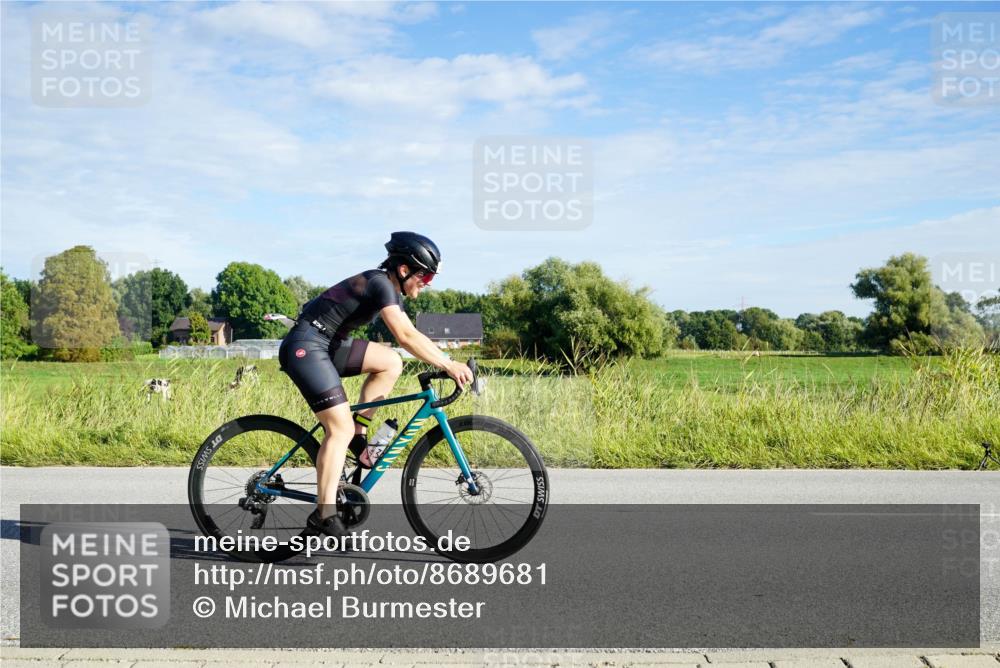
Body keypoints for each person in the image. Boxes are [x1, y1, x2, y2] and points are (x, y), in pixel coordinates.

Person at [278, 232, 474, 538]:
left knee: (391, 362)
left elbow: (412, 334)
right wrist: (448, 365)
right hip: (306, 346)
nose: (428, 283)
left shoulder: (389, 289)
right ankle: (324, 514)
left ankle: (359, 434)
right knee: (338, 429)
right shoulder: (380, 283)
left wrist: (447, 360)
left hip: (329, 345)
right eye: (426, 276)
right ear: (404, 269)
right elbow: (405, 337)